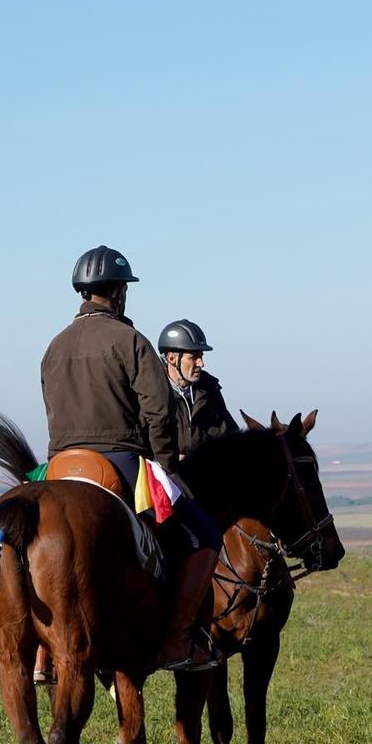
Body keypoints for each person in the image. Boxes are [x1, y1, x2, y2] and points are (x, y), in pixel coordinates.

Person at [41, 245, 224, 671]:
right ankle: (178, 641)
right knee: (205, 535)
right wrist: (163, 463)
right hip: (119, 460)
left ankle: (41, 656)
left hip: (60, 465)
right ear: (119, 291)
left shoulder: (54, 346)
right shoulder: (131, 341)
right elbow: (158, 411)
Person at [158, 319, 239, 459]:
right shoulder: (152, 391)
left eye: (201, 356)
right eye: (194, 357)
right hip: (162, 474)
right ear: (172, 358)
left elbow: (230, 435)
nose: (201, 363)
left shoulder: (210, 389)